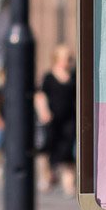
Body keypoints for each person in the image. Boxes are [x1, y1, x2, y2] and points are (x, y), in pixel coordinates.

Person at [36, 45, 78, 196]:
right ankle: (46, 178)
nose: (69, 61)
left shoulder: (74, 76)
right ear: (57, 59)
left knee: (68, 151)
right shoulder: (49, 77)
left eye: (70, 58)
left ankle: (69, 184)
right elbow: (40, 95)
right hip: (52, 120)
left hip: (70, 119)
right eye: (66, 58)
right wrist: (44, 112)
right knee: (47, 148)